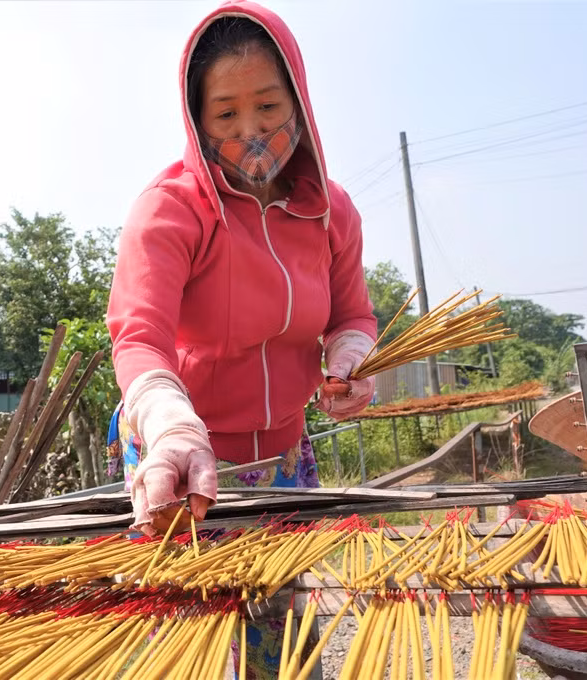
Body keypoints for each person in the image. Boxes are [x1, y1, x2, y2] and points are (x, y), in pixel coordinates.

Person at [105, 1, 378, 676]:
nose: (252, 132)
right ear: (198, 120)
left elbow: (355, 315)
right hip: (185, 463)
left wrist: (349, 356)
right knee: (179, 642)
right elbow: (139, 336)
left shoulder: (330, 212)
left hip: (283, 461)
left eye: (268, 106)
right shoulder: (171, 209)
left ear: (301, 102)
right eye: (226, 114)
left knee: (280, 640)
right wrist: (171, 425)